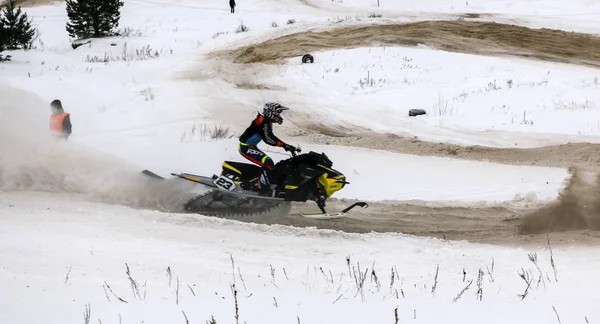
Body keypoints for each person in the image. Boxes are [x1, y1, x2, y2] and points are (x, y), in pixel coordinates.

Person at [238, 102, 300, 193]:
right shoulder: (262, 121)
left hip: (250, 146)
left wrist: (286, 145)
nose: (279, 115)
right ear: (271, 112)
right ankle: (262, 187)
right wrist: (284, 145)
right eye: (278, 113)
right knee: (267, 162)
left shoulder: (265, 121)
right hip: (245, 147)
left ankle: (265, 182)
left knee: (270, 165)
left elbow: (270, 136)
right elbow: (268, 139)